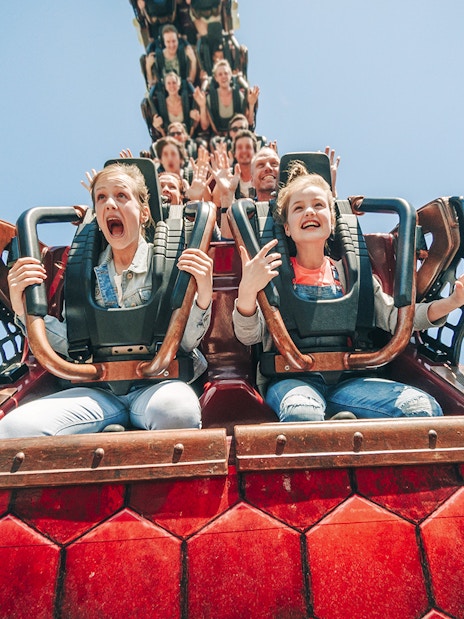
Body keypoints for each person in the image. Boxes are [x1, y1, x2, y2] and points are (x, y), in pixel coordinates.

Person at [232, 162, 464, 422]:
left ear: (332, 220)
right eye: (298, 208)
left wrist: (453, 301)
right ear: (287, 227)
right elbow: (248, 335)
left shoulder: (353, 276)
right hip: (292, 378)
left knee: (421, 407)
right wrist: (248, 290)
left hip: (353, 379)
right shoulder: (270, 274)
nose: (309, 211)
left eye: (318, 205)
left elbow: (398, 318)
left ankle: (339, 420)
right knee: (302, 413)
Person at [0, 163, 213, 437]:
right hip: (98, 388)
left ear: (144, 212)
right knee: (13, 430)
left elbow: (185, 342)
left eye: (121, 196)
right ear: (97, 216)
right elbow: (70, 345)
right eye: (101, 198)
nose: (110, 204)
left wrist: (203, 296)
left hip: (157, 384)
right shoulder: (82, 272)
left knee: (176, 412)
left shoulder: (170, 260)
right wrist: (22, 307)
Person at [204, 59, 259, 135]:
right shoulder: (211, 98)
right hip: (218, 136)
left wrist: (251, 104)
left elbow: (249, 122)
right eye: (220, 74)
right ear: (216, 78)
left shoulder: (238, 96)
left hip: (238, 135)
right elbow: (205, 126)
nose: (223, 76)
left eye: (226, 73)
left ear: (230, 75)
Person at [145, 24, 198, 88]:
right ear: (164, 42)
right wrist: (148, 67)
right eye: (168, 42)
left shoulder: (184, 54)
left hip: (183, 89)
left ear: (178, 40)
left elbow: (191, 81)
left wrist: (193, 60)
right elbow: (151, 83)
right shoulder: (157, 57)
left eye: (174, 41)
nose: (171, 45)